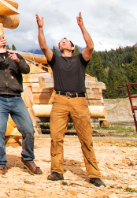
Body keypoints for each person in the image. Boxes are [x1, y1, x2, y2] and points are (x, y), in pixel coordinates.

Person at [36, 13, 105, 187]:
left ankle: (93, 174)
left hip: (79, 101)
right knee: (56, 138)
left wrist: (82, 26)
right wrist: (40, 27)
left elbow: (90, 45)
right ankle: (57, 171)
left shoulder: (81, 60)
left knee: (86, 138)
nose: (63, 42)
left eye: (66, 41)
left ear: (73, 47)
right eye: (61, 42)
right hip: (59, 100)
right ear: (59, 48)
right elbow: (43, 46)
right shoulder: (55, 61)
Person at [0, 33, 40, 176]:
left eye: (2, 38)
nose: (1, 40)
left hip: (16, 97)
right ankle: (1, 164)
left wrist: (18, 61)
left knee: (28, 130)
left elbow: (26, 70)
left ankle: (27, 159)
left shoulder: (14, 55)